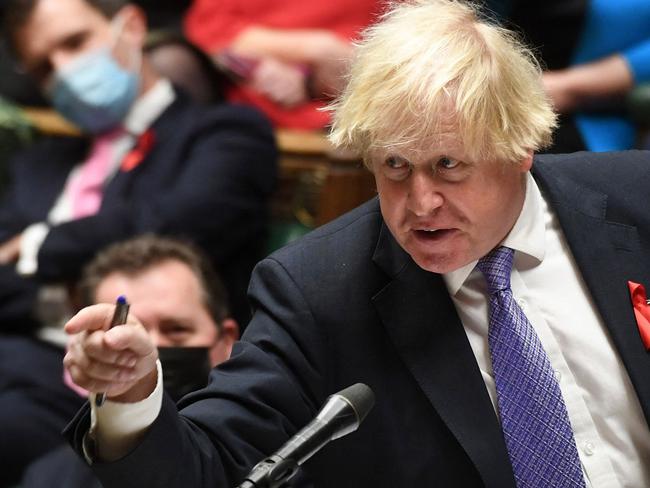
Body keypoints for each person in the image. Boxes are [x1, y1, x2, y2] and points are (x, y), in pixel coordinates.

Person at [64, 1, 650, 486]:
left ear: (520, 146)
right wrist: (132, 395)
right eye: (394, 166)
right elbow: (210, 467)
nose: (419, 204)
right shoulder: (320, 290)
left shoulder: (635, 199)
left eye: (447, 165)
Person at [0, 0, 274, 485]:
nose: (64, 71)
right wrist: (57, 292)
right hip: (22, 359)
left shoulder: (224, 135)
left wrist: (39, 245)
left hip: (142, 373)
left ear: (130, 25)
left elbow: (176, 224)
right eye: (44, 67)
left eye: (74, 43)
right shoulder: (39, 165)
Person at [21, 234, 239, 488]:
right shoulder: (51, 480)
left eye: (176, 329)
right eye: (128, 334)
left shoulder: (270, 456)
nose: (150, 349)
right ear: (86, 352)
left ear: (226, 341)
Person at [183, 0, 383, 130]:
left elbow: (407, 27)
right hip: (245, 92)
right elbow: (210, 26)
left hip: (361, 98)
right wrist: (314, 50)